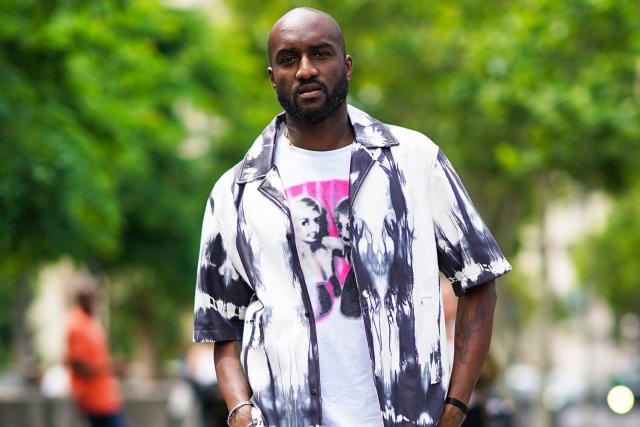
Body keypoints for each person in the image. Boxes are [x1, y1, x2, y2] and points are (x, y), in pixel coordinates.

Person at [193, 7, 511, 427]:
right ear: (273, 77)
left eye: (320, 54)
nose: (305, 70)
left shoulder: (414, 161)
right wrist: (239, 411)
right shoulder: (235, 191)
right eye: (289, 59)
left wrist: (455, 406)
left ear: (345, 66)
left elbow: (479, 280)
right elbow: (222, 326)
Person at [66, 278, 127, 427]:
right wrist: (109, 367)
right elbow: (78, 366)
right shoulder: (76, 324)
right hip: (95, 400)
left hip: (106, 397)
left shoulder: (90, 322)